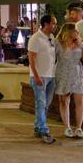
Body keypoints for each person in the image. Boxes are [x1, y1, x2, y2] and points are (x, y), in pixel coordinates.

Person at [55, 22, 83, 138]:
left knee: (80, 101)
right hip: (63, 73)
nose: (77, 33)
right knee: (64, 101)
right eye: (75, 31)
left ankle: (79, 128)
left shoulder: (80, 43)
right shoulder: (58, 43)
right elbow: (52, 59)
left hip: (78, 72)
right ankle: (67, 127)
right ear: (68, 32)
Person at [28, 13, 58, 144]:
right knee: (41, 103)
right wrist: (36, 76)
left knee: (46, 103)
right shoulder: (36, 38)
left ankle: (38, 126)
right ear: (46, 24)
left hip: (50, 75)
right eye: (53, 23)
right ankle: (43, 129)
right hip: (40, 76)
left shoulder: (51, 37)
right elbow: (31, 59)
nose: (55, 26)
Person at [66, 3, 83, 75]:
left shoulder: (77, 27)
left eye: (73, 14)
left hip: (80, 59)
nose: (71, 16)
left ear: (79, 15)